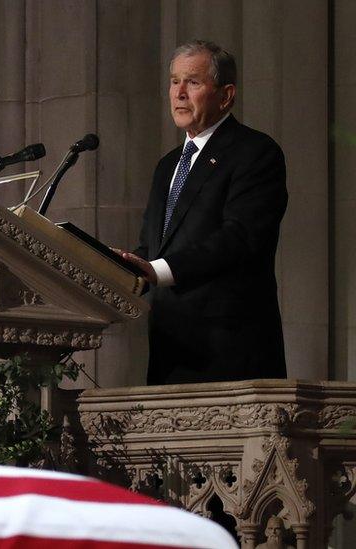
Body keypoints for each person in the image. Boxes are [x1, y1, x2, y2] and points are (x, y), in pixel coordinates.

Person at [120, 40, 288, 385]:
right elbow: (151, 249)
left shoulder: (255, 152)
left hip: (230, 353)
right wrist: (109, 271)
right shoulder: (167, 165)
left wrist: (156, 270)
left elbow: (239, 238)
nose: (179, 93)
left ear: (225, 96)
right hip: (171, 350)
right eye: (174, 81)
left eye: (192, 82)